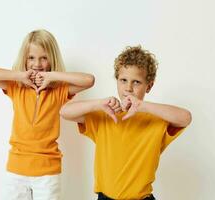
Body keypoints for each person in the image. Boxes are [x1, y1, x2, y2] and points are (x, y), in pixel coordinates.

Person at [60, 45, 192, 200]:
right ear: (117, 80)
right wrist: (98, 104)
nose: (128, 88)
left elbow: (186, 117)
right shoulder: (105, 115)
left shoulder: (156, 120)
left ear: (149, 86)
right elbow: (64, 112)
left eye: (136, 82)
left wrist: (143, 106)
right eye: (123, 80)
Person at [0, 29, 94, 200]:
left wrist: (52, 75)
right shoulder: (16, 87)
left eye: (44, 58)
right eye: (31, 57)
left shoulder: (59, 90)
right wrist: (19, 75)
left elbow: (89, 80)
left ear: (52, 59)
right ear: (24, 59)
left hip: (47, 173)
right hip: (16, 171)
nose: (37, 64)